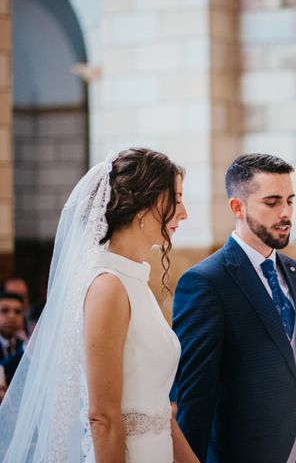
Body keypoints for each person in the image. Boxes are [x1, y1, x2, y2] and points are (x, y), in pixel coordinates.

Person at [0, 148, 198, 463]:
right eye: (176, 199)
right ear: (142, 204)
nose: (184, 212)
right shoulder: (108, 286)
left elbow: (158, 409)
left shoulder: (136, 283)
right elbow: (102, 418)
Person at [173, 153, 296, 463]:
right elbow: (196, 398)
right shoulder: (205, 282)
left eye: (290, 201)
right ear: (237, 207)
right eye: (272, 202)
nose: (286, 213)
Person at [0, 292, 26, 399]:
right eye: (5, 311)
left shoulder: (24, 346)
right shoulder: (25, 347)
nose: (12, 316)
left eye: (17, 312)